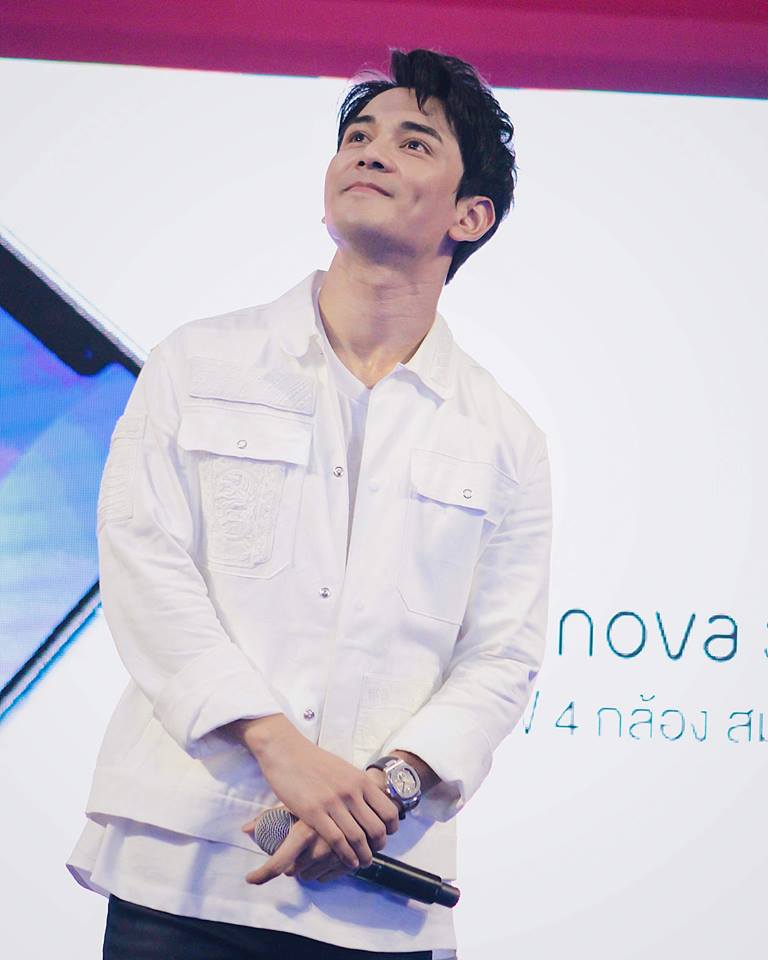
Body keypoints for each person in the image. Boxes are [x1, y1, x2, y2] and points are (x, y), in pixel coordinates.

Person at [66, 47, 553, 959]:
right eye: (357, 135)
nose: (371, 151)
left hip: (378, 889)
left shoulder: (505, 438)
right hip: (182, 871)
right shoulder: (198, 362)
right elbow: (144, 568)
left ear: (470, 215)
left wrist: (386, 791)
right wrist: (279, 749)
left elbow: (501, 655)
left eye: (414, 142)